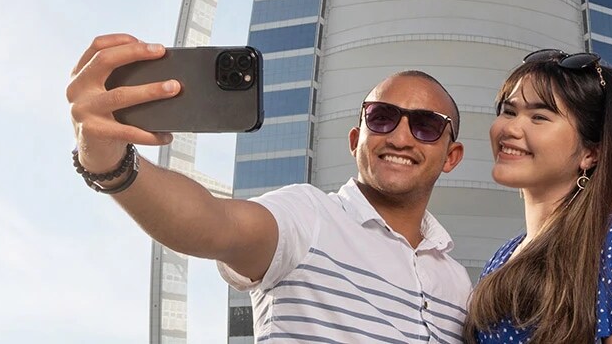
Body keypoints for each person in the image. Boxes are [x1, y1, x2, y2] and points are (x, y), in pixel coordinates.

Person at [66, 33, 471, 343]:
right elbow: (213, 223)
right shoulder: (308, 216)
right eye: (382, 117)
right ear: (355, 140)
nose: (401, 137)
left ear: (451, 156)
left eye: (426, 125)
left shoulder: (458, 282)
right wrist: (111, 163)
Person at [465, 49, 612, 344]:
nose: (510, 128)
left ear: (591, 153)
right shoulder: (503, 257)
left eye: (539, 117)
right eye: (509, 111)